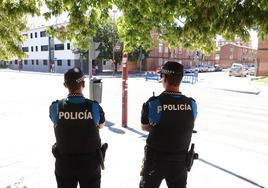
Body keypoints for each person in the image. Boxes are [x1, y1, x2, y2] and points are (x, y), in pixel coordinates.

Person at [139, 61, 198, 188]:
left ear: (164, 78)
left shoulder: (153, 103)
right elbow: (185, 124)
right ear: (180, 79)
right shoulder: (192, 104)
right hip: (180, 162)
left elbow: (144, 127)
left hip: (155, 161)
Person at [49, 67, 105, 188]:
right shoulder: (94, 106)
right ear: (83, 83)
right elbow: (100, 125)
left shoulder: (56, 107)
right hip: (90, 165)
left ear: (65, 85)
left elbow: (56, 121)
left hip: (64, 164)